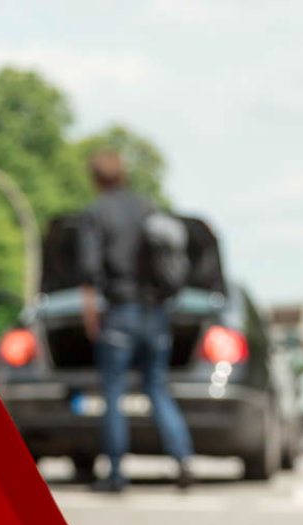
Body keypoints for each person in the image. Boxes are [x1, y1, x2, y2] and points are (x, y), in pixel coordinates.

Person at [78, 150, 194, 492]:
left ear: (96, 179)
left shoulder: (95, 213)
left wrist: (90, 314)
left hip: (120, 313)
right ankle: (183, 460)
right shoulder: (148, 207)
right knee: (157, 389)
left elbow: (89, 269)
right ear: (124, 175)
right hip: (155, 311)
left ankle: (115, 472)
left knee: (113, 391)